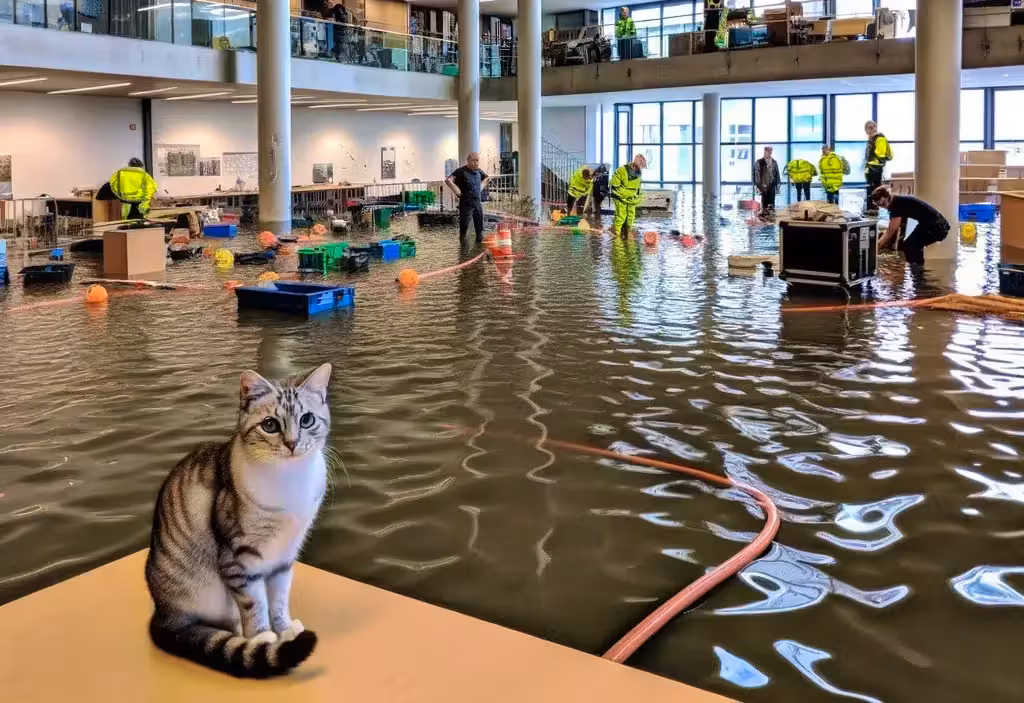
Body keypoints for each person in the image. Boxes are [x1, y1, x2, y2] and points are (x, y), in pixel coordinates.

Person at [872, 185, 950, 266]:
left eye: (881, 204)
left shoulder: (896, 204)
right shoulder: (897, 201)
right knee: (912, 245)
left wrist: (877, 246)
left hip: (935, 225)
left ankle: (917, 273)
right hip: (935, 224)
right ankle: (918, 271)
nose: (881, 206)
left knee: (910, 246)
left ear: (885, 199)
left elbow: (892, 229)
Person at [445, 152, 490, 245]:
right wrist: (457, 192)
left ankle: (478, 245)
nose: (476, 162)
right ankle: (462, 245)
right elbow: (448, 180)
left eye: (477, 160)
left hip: (477, 201)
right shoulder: (461, 171)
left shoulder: (479, 171)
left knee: (479, 225)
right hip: (466, 202)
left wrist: (480, 188)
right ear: (468, 161)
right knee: (464, 225)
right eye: (473, 160)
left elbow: (487, 178)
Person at [610, 154, 646, 238]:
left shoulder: (639, 172)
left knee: (631, 215)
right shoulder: (622, 170)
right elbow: (614, 185)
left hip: (631, 198)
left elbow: (638, 187)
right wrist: (625, 195)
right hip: (620, 197)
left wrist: (638, 196)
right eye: (641, 165)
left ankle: (627, 231)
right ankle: (616, 235)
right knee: (621, 215)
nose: (641, 167)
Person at [864, 120, 893, 213]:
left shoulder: (879, 138)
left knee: (875, 189)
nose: (871, 129)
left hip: (875, 168)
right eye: (869, 128)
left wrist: (873, 163)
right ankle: (871, 209)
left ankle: (874, 209)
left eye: (872, 127)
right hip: (871, 167)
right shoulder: (871, 139)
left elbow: (880, 155)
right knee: (871, 189)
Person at [753, 146, 781, 217]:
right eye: (766, 152)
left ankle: (771, 214)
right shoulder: (759, 162)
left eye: (769, 152)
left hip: (772, 183)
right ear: (764, 152)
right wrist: (758, 185)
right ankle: (764, 214)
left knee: (772, 199)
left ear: (771, 152)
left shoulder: (774, 162)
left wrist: (778, 184)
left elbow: (777, 173)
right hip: (763, 184)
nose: (768, 153)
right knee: (764, 199)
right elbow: (756, 174)